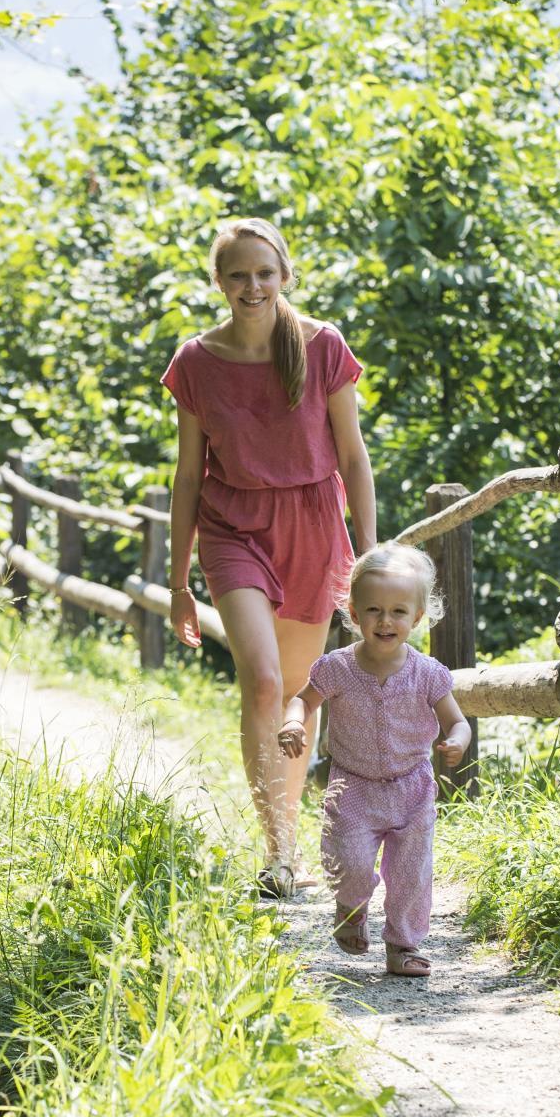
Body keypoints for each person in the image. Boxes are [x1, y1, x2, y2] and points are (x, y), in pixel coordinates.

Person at [162, 217, 376, 901]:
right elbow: (188, 477)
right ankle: (279, 851)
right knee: (260, 680)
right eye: (236, 275)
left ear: (284, 273)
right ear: (218, 282)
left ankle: (288, 831)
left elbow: (352, 457)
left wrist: (369, 553)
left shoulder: (322, 347)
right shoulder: (196, 362)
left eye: (263, 272)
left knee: (295, 690)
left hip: (312, 526)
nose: (251, 286)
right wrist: (177, 582)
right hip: (233, 527)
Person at [278, 543, 471, 977]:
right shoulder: (336, 668)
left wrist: (457, 741)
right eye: (374, 610)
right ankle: (350, 908)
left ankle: (403, 945)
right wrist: (293, 724)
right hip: (352, 786)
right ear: (353, 611)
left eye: (398, 612)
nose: (386, 621)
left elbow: (457, 722)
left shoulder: (429, 674)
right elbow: (302, 701)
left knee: (410, 874)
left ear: (417, 617)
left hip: (412, 786)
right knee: (348, 860)